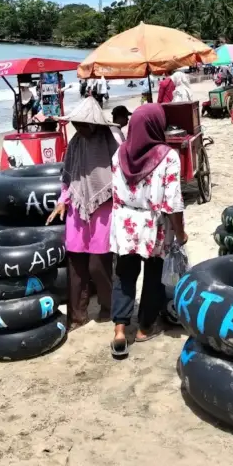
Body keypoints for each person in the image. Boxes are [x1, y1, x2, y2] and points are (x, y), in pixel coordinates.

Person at [110, 104, 187, 358]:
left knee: (124, 273)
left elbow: (115, 193)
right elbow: (173, 200)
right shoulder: (168, 155)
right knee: (154, 275)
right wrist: (180, 232)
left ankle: (120, 330)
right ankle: (144, 328)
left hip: (124, 221)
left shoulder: (119, 154)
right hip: (154, 223)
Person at [47, 98, 122, 330]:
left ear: (95, 125)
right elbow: (68, 178)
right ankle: (77, 316)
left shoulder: (111, 142)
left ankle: (108, 306)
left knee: (99, 265)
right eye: (76, 125)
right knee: (76, 265)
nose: (79, 129)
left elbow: (121, 174)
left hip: (104, 209)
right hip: (77, 210)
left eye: (83, 125)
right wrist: (63, 201)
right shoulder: (76, 143)